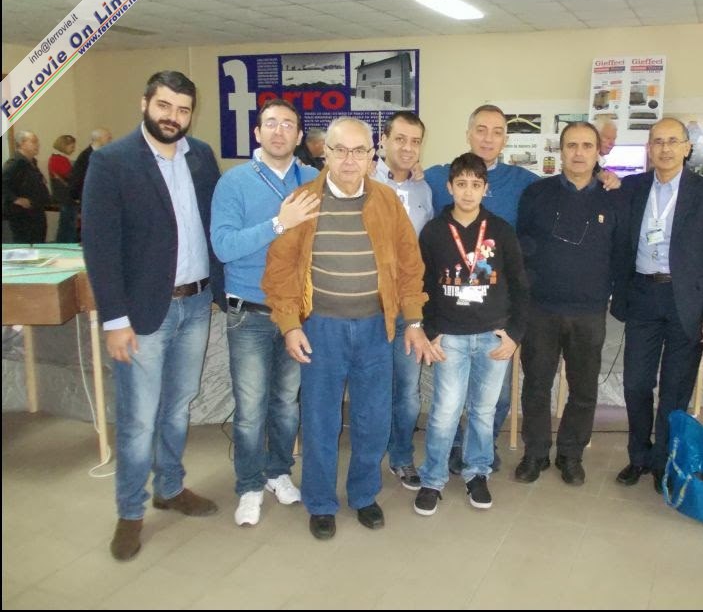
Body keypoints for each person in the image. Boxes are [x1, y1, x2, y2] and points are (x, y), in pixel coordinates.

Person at [261, 116, 438, 540]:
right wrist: (289, 325)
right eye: (340, 150)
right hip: (321, 327)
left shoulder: (386, 202)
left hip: (377, 327)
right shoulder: (302, 200)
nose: (349, 159)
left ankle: (363, 495)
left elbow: (410, 268)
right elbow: (281, 270)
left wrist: (413, 320)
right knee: (320, 418)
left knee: (372, 417)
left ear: (371, 155)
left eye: (359, 151)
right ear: (325, 152)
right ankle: (320, 502)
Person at [82, 71, 225, 561]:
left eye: (183, 109)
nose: (173, 117)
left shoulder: (202, 156)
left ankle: (170, 486)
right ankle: (129, 512)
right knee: (139, 418)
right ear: (145, 102)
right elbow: (99, 247)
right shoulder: (111, 161)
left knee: (179, 405)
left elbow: (215, 226)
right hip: (144, 312)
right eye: (165, 106)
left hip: (195, 302)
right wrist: (114, 320)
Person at [610, 117, 703, 493]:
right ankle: (638, 456)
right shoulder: (631, 188)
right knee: (635, 383)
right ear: (648, 149)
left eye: (672, 141)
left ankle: (662, 461)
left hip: (689, 303)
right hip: (643, 296)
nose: (664, 148)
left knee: (675, 390)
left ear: (687, 147)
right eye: (657, 142)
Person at [211, 99, 321, 527]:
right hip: (249, 313)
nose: (279, 131)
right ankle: (249, 485)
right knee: (251, 407)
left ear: (298, 136)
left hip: (297, 314)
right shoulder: (234, 182)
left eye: (287, 125)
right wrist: (280, 222)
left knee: (286, 404)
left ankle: (278, 472)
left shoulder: (313, 179)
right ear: (257, 133)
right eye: (270, 124)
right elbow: (223, 246)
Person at [424, 104, 538, 475]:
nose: (489, 138)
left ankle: (480, 452)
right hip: (452, 317)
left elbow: (566, 183)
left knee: (494, 398)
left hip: (494, 316)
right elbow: (401, 176)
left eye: (497, 131)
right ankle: (453, 450)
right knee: (448, 401)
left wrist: (603, 174)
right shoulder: (439, 174)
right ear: (468, 133)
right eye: (481, 129)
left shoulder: (522, 180)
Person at [414, 152, 528, 516]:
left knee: (482, 411)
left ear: (485, 189)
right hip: (450, 337)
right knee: (446, 411)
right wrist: (431, 331)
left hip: (493, 337)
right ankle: (432, 479)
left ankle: (476, 473)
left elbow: (521, 286)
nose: (467, 192)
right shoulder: (433, 231)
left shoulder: (500, 230)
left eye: (475, 185)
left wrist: (514, 334)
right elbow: (423, 284)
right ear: (449, 187)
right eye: (460, 184)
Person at [515, 122, 626, 486]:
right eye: (572, 145)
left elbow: (620, 252)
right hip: (541, 309)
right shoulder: (536, 193)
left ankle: (570, 455)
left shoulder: (614, 198)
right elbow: (521, 248)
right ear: (560, 151)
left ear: (599, 152)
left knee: (584, 389)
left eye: (587, 146)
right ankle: (535, 454)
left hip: (589, 312)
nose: (579, 153)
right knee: (535, 385)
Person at [373, 111, 434, 491]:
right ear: (383, 140)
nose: (408, 148)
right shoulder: (361, 178)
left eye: (415, 141)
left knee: (407, 393)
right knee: (370, 387)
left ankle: (400, 458)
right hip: (366, 307)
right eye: (400, 139)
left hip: (410, 309)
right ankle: (365, 458)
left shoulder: (424, 189)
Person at [2, 130, 50, 244]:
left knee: (38, 242)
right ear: (22, 144)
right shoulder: (16, 162)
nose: (37, 145)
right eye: (33, 142)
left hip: (36, 212)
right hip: (23, 216)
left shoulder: (31, 162)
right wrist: (16, 199)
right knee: (26, 245)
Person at [70, 128, 113, 204]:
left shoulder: (101, 154)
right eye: (108, 137)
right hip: (90, 197)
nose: (110, 140)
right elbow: (79, 178)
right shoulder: (86, 156)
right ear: (99, 139)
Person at [48, 134, 77, 243]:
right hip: (65, 198)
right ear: (64, 146)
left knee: (66, 225)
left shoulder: (55, 158)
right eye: (71, 146)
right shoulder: (59, 160)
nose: (73, 149)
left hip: (63, 197)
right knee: (68, 227)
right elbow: (71, 176)